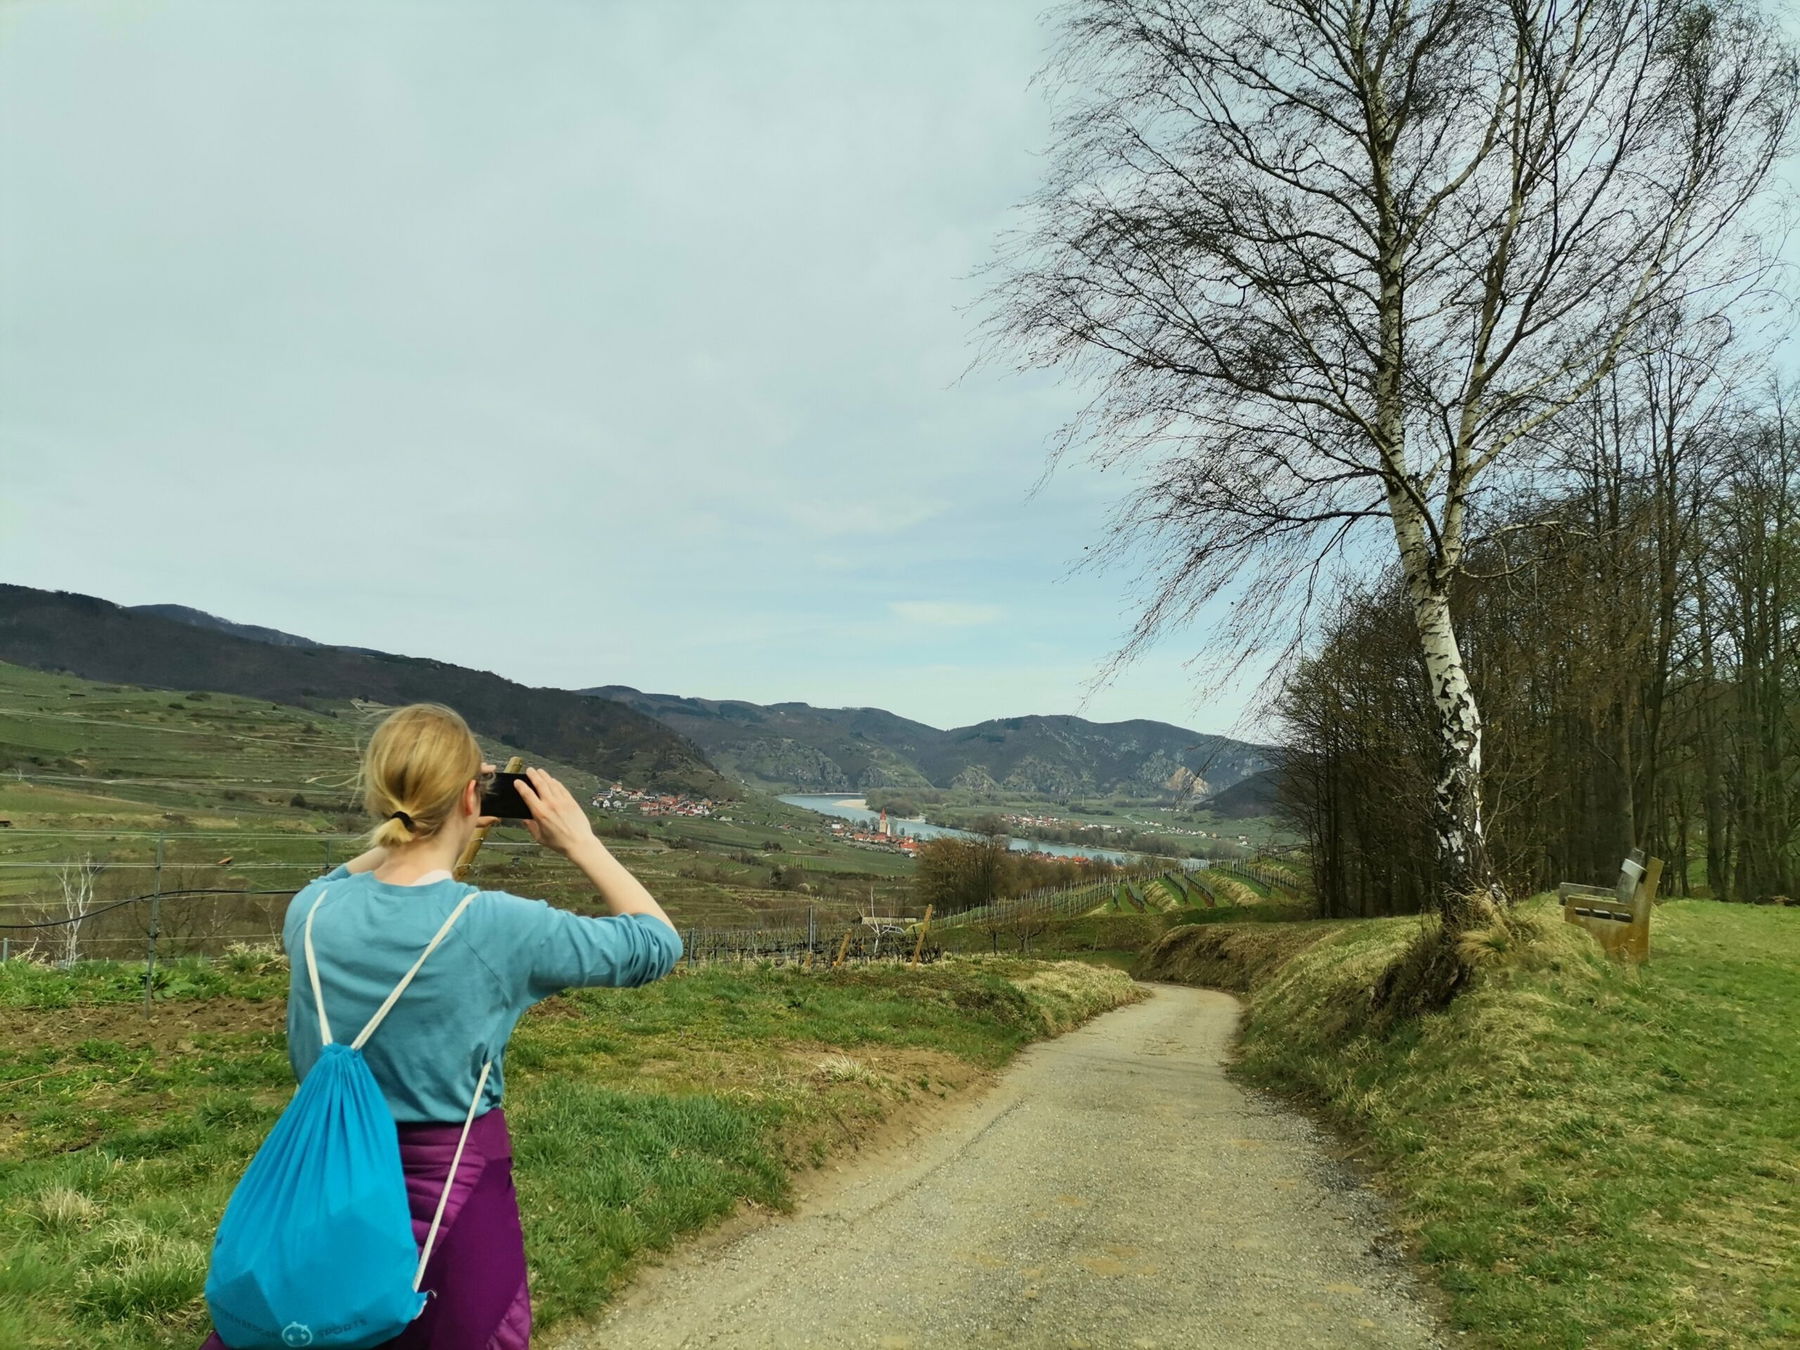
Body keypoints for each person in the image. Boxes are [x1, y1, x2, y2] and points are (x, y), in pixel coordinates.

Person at [200, 703, 682, 1350]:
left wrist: (431, 820)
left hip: (322, 1180)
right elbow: (656, 943)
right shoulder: (496, 926)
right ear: (470, 795)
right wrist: (579, 840)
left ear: (380, 797)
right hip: (449, 1192)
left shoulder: (310, 912)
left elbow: (347, 874)